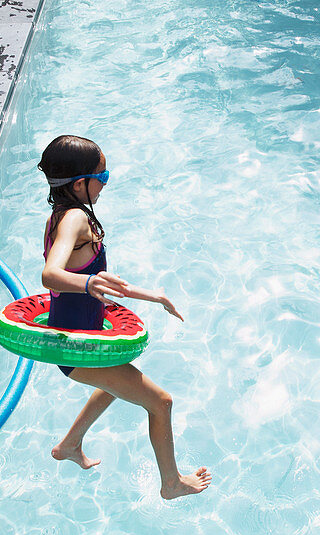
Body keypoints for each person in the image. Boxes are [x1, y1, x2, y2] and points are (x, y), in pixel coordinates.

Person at [36, 135, 211, 499]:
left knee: (117, 382)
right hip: (76, 347)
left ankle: (69, 445)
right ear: (78, 182)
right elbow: (52, 275)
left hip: (86, 336)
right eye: (103, 175)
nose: (105, 183)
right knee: (161, 403)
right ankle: (171, 484)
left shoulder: (64, 215)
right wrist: (87, 284)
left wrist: (155, 296)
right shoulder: (74, 220)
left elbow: (102, 284)